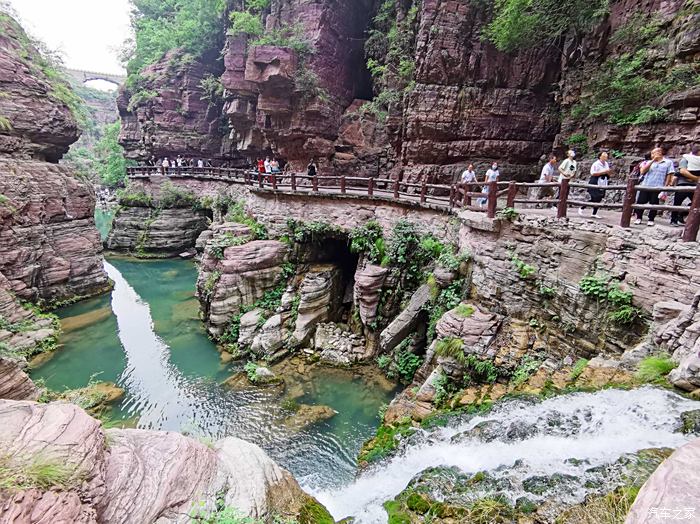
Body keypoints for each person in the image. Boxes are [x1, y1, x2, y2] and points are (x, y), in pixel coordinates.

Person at [634, 146, 675, 226]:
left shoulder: (668, 162)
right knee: (640, 202)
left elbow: (669, 174)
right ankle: (639, 217)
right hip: (645, 185)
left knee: (654, 203)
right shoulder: (646, 162)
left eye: (656, 152)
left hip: (658, 186)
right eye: (652, 153)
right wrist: (652, 161)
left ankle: (651, 219)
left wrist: (666, 186)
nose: (654, 154)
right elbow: (642, 171)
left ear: (660, 152)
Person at [671, 144, 700, 226]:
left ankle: (682, 213)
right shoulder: (685, 159)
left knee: (697, 202)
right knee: (677, 202)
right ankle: (673, 220)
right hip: (683, 183)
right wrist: (696, 178)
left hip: (695, 185)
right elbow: (683, 171)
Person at [579, 151, 612, 218]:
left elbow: (608, 173)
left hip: (603, 181)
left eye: (606, 156)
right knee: (594, 197)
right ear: (600, 157)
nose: (605, 158)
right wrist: (603, 172)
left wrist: (608, 172)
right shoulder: (596, 164)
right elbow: (593, 173)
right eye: (604, 156)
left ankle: (594, 213)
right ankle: (582, 207)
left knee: (599, 198)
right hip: (595, 181)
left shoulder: (606, 164)